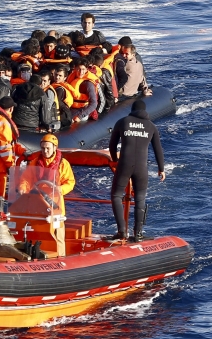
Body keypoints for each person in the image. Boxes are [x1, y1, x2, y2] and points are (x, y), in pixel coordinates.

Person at [108, 100, 165, 242]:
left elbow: (112, 145)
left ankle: (122, 231)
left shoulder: (122, 121)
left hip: (124, 164)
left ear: (132, 109)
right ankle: (138, 234)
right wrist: (161, 168)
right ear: (145, 111)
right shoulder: (151, 126)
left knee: (116, 195)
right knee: (140, 199)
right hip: (141, 167)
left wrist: (115, 160)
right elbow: (158, 149)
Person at [17, 134, 75, 215]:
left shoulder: (63, 164)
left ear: (55, 148)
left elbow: (70, 182)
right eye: (43, 148)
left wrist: (60, 189)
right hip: (37, 200)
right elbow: (26, 179)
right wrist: (22, 188)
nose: (45, 151)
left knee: (58, 225)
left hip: (55, 202)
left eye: (48, 148)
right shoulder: (34, 162)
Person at [67, 58, 100, 123]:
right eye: (79, 69)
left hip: (82, 110)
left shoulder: (88, 84)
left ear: (86, 70)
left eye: (83, 69)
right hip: (71, 107)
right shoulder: (72, 78)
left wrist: (80, 116)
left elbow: (93, 103)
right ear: (75, 68)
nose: (81, 72)